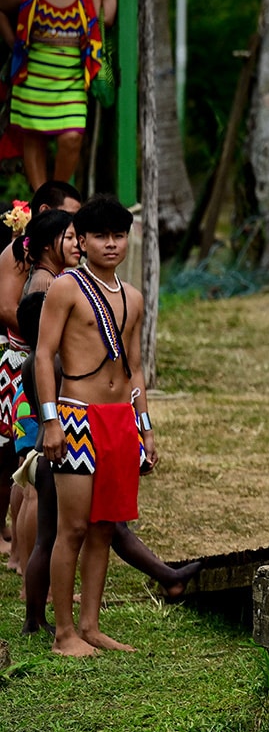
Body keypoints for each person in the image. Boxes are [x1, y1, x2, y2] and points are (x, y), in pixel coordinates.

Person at [16, 288, 199, 636]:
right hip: (61, 447)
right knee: (71, 534)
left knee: (64, 534)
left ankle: (37, 619)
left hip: (47, 450)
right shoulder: (54, 361)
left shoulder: (33, 362)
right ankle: (53, 624)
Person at [37, 194, 156, 657]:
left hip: (120, 420)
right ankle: (63, 633)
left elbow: (137, 369)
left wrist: (145, 429)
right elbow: (44, 355)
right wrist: (50, 422)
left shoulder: (134, 297)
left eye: (118, 235)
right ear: (80, 240)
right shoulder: (66, 287)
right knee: (73, 528)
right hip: (75, 418)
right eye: (100, 236)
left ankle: (90, 625)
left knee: (105, 525)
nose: (111, 244)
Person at [0, 0, 119, 190]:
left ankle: (58, 196)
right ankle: (42, 204)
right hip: (32, 81)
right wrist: (13, 42)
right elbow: (1, 8)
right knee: (33, 138)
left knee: (72, 137)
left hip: (71, 83)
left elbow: (106, 18)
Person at [0, 182, 81, 562]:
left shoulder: (42, 275)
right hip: (34, 386)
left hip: (26, 388)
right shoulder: (49, 283)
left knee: (24, 475)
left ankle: (18, 554)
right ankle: (28, 559)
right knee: (35, 484)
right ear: (51, 243)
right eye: (71, 236)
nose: (79, 243)